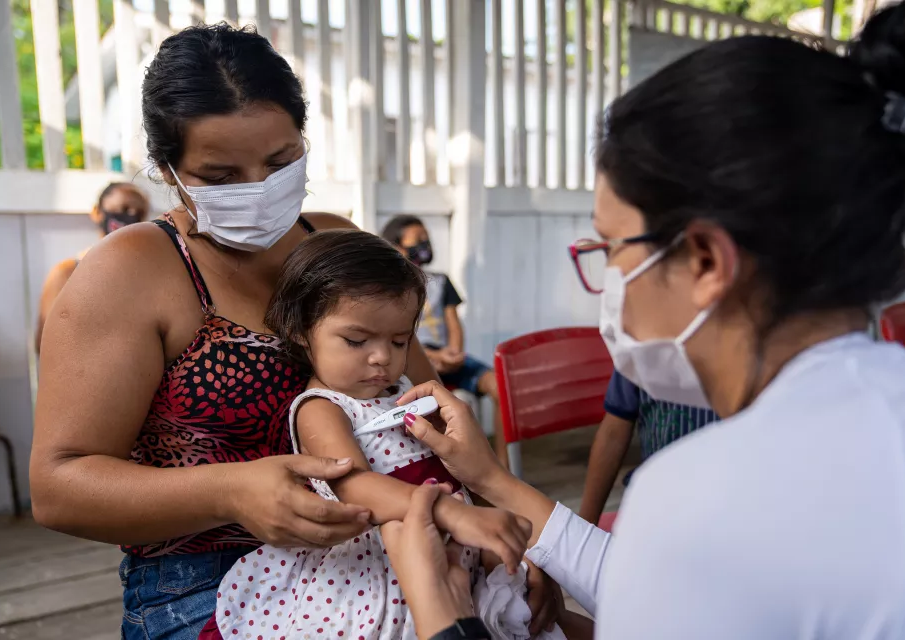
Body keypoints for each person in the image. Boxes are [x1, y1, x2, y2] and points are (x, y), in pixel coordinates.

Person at [375, 0, 905, 637]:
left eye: (613, 247)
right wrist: (491, 481)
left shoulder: (697, 497)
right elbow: (664, 581)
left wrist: (444, 618)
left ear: (705, 259)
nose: (610, 281)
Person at [29, 24, 441, 640]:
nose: (258, 189)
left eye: (280, 163)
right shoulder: (130, 271)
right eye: (221, 176)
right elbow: (59, 487)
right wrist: (229, 491)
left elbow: (429, 406)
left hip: (386, 548)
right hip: (205, 585)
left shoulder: (333, 242)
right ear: (170, 171)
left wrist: (502, 527)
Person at [200, 229, 558, 640]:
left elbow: (459, 465)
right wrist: (451, 513)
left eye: (400, 340)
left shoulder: (407, 391)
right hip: (380, 570)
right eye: (356, 340)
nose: (382, 357)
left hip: (456, 552)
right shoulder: (322, 407)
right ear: (300, 329)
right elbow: (353, 485)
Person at [381, 215, 509, 467]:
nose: (425, 244)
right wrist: (435, 359)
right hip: (415, 358)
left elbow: (453, 321)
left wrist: (455, 352)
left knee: (499, 385)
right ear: (396, 247)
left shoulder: (440, 281)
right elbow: (399, 334)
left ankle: (503, 465)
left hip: (448, 356)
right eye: (418, 240)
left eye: (426, 238)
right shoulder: (388, 288)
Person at [577, 371, 718, 525]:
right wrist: (586, 523)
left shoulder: (741, 356)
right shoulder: (636, 350)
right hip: (656, 504)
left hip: (725, 500)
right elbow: (613, 433)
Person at [35, 182, 150, 353]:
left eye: (139, 214)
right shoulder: (66, 273)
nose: (131, 217)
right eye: (123, 209)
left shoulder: (146, 275)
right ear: (97, 212)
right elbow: (45, 344)